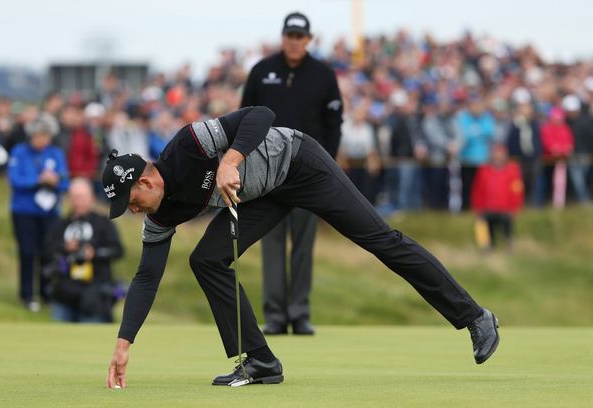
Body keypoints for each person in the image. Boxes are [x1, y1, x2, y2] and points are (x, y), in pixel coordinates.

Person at [103, 106, 500, 389]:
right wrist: (124, 344)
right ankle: (260, 361)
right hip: (262, 196)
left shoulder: (188, 144)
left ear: (146, 182)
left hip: (300, 164)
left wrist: (231, 161)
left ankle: (475, 317)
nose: (134, 212)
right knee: (207, 259)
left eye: (132, 202)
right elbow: (146, 275)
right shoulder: (160, 214)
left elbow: (260, 115)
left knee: (381, 240)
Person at [240, 12, 343, 335]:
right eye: (289, 36)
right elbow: (244, 118)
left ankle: (299, 313)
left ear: (308, 39)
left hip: (307, 173)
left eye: (300, 37)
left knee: (303, 244)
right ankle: (274, 315)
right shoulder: (262, 71)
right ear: (282, 37)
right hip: (267, 173)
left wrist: (326, 165)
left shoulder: (323, 75)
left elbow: (334, 125)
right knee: (271, 243)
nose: (294, 42)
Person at [8, 114, 69, 311]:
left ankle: (46, 294)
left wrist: (55, 181)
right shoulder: (19, 152)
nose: (43, 140)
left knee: (48, 253)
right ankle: (27, 295)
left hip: (50, 212)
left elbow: (65, 181)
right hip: (24, 211)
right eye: (39, 136)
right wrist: (38, 180)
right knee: (27, 252)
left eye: (46, 136)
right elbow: (15, 180)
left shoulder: (56, 153)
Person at [44, 178, 124, 322]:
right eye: (74, 197)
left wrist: (94, 253)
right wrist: (65, 247)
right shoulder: (60, 225)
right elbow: (47, 250)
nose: (77, 201)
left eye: (81, 197)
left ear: (91, 198)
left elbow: (117, 251)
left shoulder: (103, 224)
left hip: (95, 292)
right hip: (65, 292)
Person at [471, 143, 524, 250]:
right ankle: (486, 247)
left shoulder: (512, 170)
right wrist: (477, 208)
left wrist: (515, 209)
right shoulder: (483, 170)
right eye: (495, 154)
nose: (497, 157)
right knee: (481, 224)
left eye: (500, 154)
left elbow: (517, 192)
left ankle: (509, 245)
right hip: (487, 209)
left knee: (507, 227)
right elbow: (477, 190)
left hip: (505, 210)